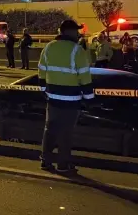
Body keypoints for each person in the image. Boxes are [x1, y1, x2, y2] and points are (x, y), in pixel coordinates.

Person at [38, 20, 93, 173]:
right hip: (71, 101)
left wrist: (45, 91)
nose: (78, 33)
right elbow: (85, 77)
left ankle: (45, 161)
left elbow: (41, 73)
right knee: (66, 133)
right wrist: (90, 99)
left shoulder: (48, 48)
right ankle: (63, 164)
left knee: (49, 130)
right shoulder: (77, 50)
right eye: (76, 31)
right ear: (70, 32)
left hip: (53, 99)